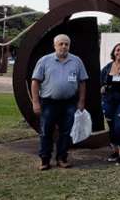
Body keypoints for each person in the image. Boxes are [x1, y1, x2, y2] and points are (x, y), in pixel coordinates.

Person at [31, 34, 88, 171]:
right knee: (46, 131)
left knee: (66, 132)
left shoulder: (76, 61)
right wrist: (36, 102)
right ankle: (45, 159)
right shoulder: (45, 61)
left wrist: (81, 101)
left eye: (66, 44)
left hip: (69, 103)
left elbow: (82, 82)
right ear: (55, 45)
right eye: (61, 44)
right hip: (49, 102)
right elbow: (35, 81)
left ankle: (62, 158)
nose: (64, 46)